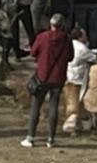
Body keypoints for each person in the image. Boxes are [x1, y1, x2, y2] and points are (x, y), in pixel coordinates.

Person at [24, 14, 70, 148]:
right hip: (58, 76)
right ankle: (51, 138)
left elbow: (32, 52)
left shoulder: (43, 37)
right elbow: (70, 56)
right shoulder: (66, 39)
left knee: (36, 105)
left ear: (50, 24)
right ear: (62, 25)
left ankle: (31, 137)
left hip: (42, 75)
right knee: (54, 105)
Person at [62, 28, 96, 135]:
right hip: (78, 80)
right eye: (85, 35)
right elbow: (95, 59)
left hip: (67, 78)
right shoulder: (82, 49)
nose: (86, 37)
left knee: (69, 103)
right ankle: (73, 127)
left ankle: (75, 126)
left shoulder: (67, 44)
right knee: (76, 105)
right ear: (80, 37)